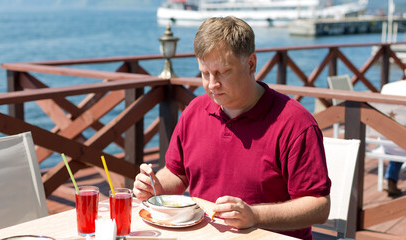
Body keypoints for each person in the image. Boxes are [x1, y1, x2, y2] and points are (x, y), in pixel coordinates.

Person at [133, 16, 331, 240]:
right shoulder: (194, 110)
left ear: (251, 64)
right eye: (205, 73)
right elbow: (177, 173)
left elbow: (319, 206)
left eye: (223, 72)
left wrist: (254, 215)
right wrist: (157, 187)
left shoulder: (296, 123)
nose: (212, 84)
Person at [382, 55, 406, 196]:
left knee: (398, 133)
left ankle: (391, 179)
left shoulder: (387, 88)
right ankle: (390, 180)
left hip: (387, 144)